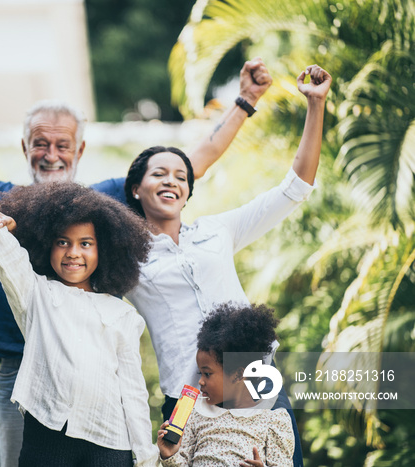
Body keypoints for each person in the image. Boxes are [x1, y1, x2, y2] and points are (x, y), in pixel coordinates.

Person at [0, 52, 272, 466]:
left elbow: (191, 162)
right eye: (40, 143)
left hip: (92, 367)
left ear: (80, 149)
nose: (51, 154)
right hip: (21, 366)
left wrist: (244, 102)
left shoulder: (102, 204)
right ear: (25, 146)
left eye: (62, 144)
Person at [124, 64, 332, 466]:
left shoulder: (218, 231)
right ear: (136, 188)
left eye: (181, 176)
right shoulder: (125, 255)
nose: (172, 181)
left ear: (188, 191)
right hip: (187, 395)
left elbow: (296, 188)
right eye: (159, 174)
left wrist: (316, 104)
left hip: (256, 378)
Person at [0, 142, 159, 465]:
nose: (73, 252)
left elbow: (134, 391)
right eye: (63, 242)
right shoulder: (36, 295)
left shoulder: (123, 315)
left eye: (86, 244)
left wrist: (144, 456)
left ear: (105, 250)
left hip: (111, 442)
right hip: (47, 436)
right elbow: (2, 248)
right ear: (47, 247)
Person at [156, 303, 294, 467]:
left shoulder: (273, 421)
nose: (200, 381)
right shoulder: (196, 413)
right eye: (200, 373)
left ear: (238, 374)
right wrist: (169, 456)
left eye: (207, 374)